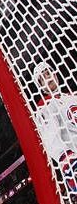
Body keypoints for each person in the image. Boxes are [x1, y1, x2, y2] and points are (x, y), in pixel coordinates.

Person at [31, 62, 77, 191]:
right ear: (41, 86)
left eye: (48, 73)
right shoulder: (44, 106)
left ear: (55, 74)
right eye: (42, 78)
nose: (48, 77)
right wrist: (68, 162)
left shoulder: (72, 96)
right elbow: (51, 138)